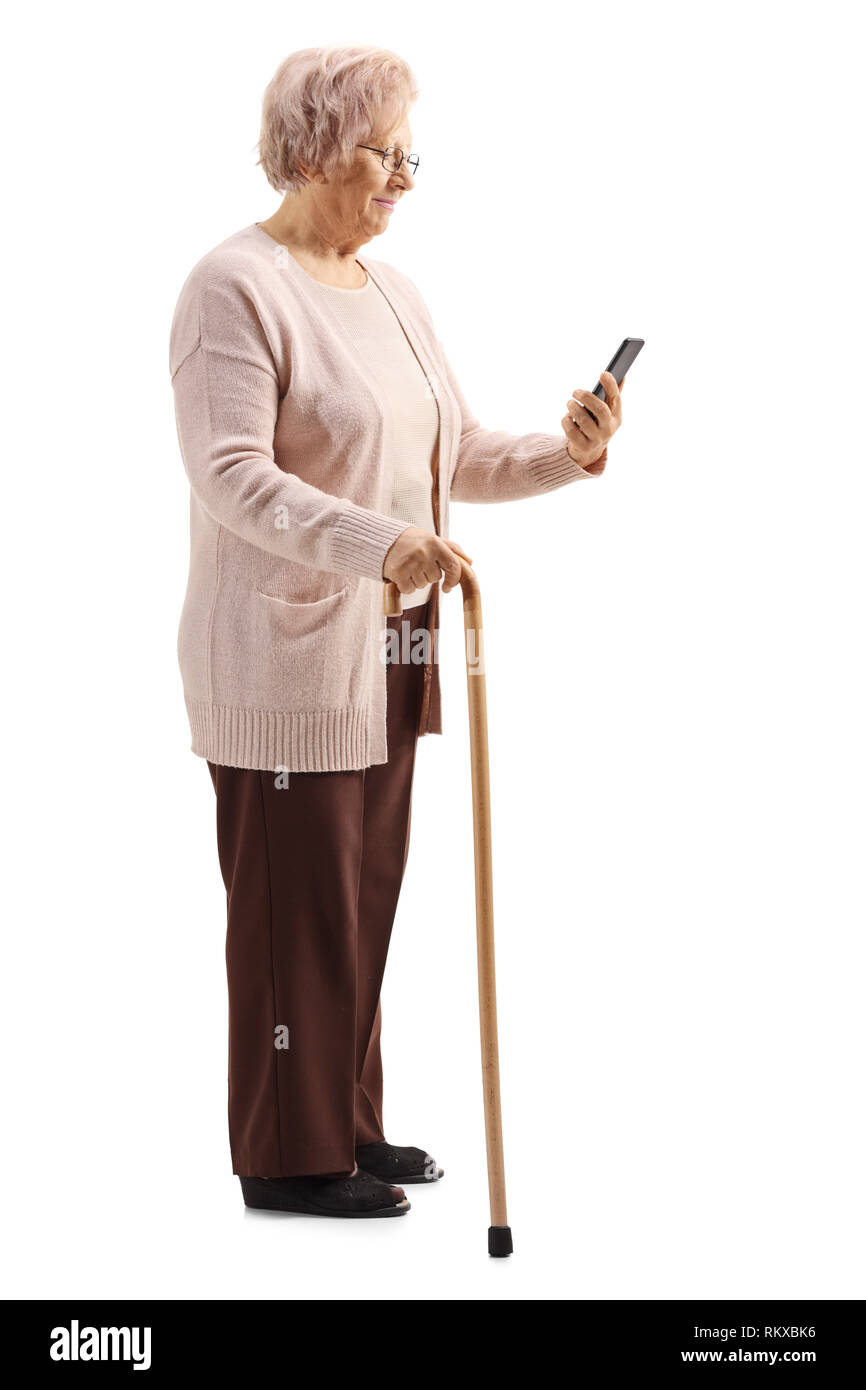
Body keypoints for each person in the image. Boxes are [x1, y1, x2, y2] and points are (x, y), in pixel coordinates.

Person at [169, 42, 623, 1220]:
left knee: (362, 890)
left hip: (398, 646)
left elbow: (455, 454)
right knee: (293, 904)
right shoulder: (234, 286)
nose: (403, 178)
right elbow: (229, 474)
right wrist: (380, 544)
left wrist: (563, 455)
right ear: (316, 146)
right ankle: (285, 1154)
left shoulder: (396, 292)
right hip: (288, 652)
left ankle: (346, 1124)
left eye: (409, 153)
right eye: (384, 153)